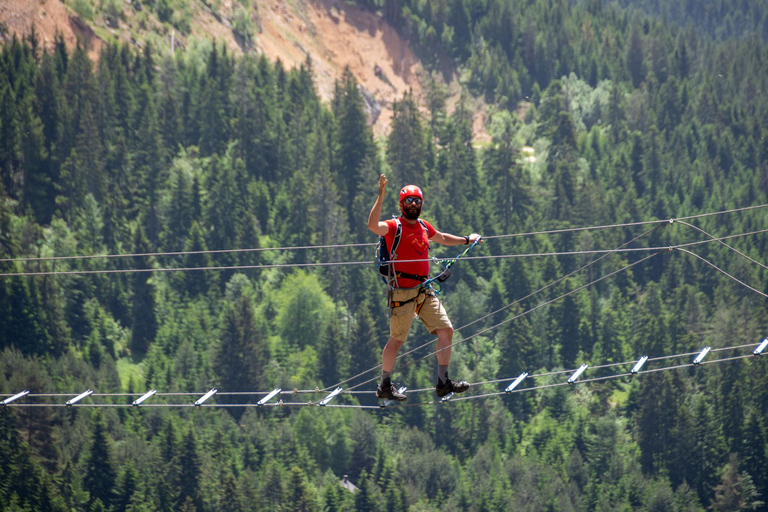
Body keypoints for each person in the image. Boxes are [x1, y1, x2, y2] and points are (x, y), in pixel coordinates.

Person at [367, 174, 481, 401]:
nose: (413, 205)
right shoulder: (393, 227)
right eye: (409, 201)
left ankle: (443, 382)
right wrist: (380, 196)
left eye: (417, 201)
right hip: (402, 291)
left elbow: (442, 238)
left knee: (446, 330)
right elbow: (372, 225)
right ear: (401, 205)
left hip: (423, 289)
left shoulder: (422, 226)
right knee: (396, 340)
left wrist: (466, 240)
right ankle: (385, 385)